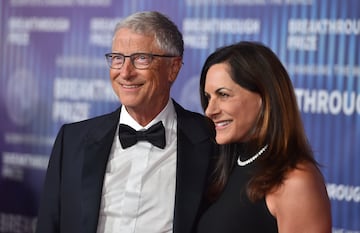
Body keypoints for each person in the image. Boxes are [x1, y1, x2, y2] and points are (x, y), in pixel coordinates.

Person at [36, 11, 216, 233]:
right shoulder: (72, 140)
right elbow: (49, 224)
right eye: (117, 58)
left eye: (141, 58)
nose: (125, 72)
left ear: (173, 68)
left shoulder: (210, 140)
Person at [197, 41, 332, 233]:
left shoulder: (294, 181)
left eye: (224, 95)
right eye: (208, 97)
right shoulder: (219, 168)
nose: (210, 110)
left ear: (264, 97)